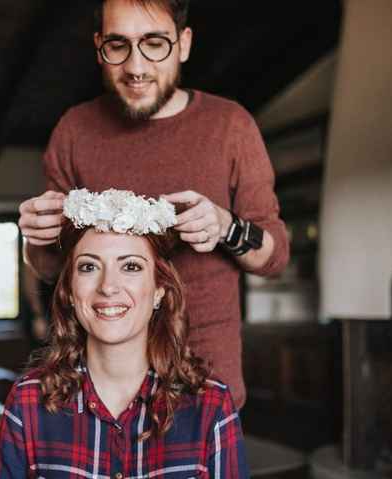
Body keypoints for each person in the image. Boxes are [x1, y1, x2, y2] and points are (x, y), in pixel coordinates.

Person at [18, 0, 289, 408]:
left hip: (206, 381)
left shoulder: (231, 125)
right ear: (99, 47)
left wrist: (226, 226)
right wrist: (38, 238)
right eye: (118, 45)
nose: (136, 67)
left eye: (155, 44)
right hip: (98, 385)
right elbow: (54, 267)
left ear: (183, 43)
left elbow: (275, 257)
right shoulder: (74, 130)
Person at [0, 189, 249, 478]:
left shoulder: (211, 405)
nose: (108, 287)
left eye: (130, 266)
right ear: (69, 292)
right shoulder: (27, 401)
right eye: (89, 267)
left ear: (159, 291)